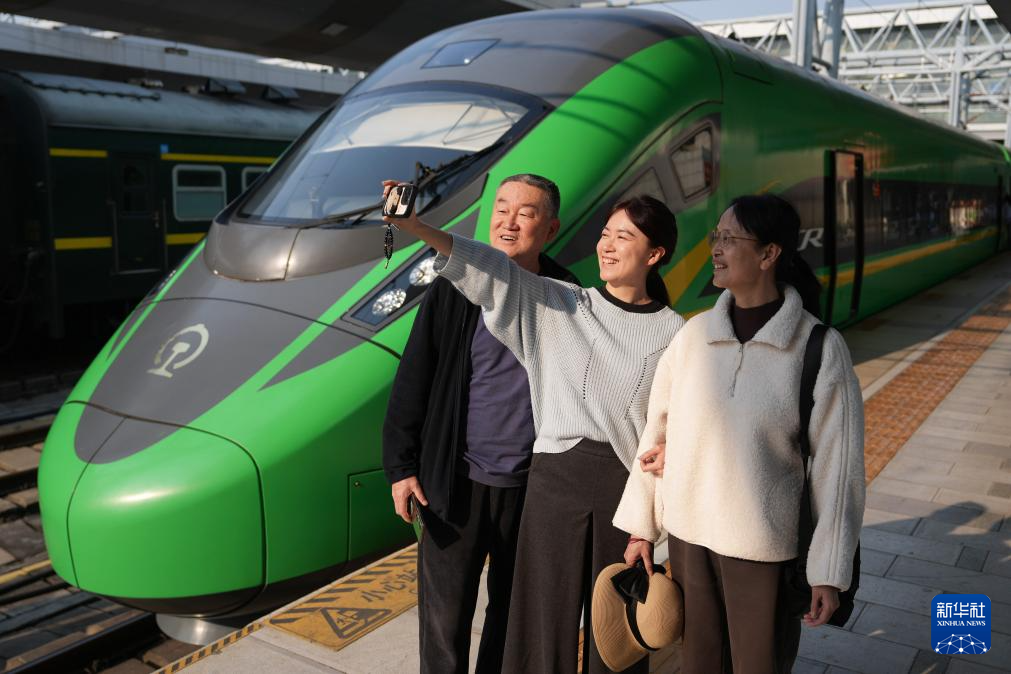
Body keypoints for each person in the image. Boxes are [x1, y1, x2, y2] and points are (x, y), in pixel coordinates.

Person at [381, 181, 684, 673]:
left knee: (608, 631)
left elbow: (680, 421)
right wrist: (416, 227)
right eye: (605, 234)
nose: (607, 246)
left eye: (623, 237)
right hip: (515, 483)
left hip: (591, 487)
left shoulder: (671, 331)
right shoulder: (562, 302)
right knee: (520, 624)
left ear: (655, 255)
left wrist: (658, 498)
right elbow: (488, 275)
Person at [614, 194, 865, 674]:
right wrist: (642, 528)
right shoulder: (693, 336)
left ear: (769, 254)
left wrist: (828, 572)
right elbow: (657, 431)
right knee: (699, 663)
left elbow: (839, 470)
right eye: (717, 236)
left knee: (758, 664)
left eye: (730, 238)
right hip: (689, 540)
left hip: (763, 550)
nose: (716, 248)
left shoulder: (818, 347)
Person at [382, 174, 577, 674]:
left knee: (511, 619)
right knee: (444, 621)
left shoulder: (567, 295)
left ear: (550, 229)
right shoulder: (453, 289)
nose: (509, 222)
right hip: (454, 483)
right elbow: (414, 378)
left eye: (525, 213)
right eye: (501, 209)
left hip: (531, 487)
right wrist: (401, 469)